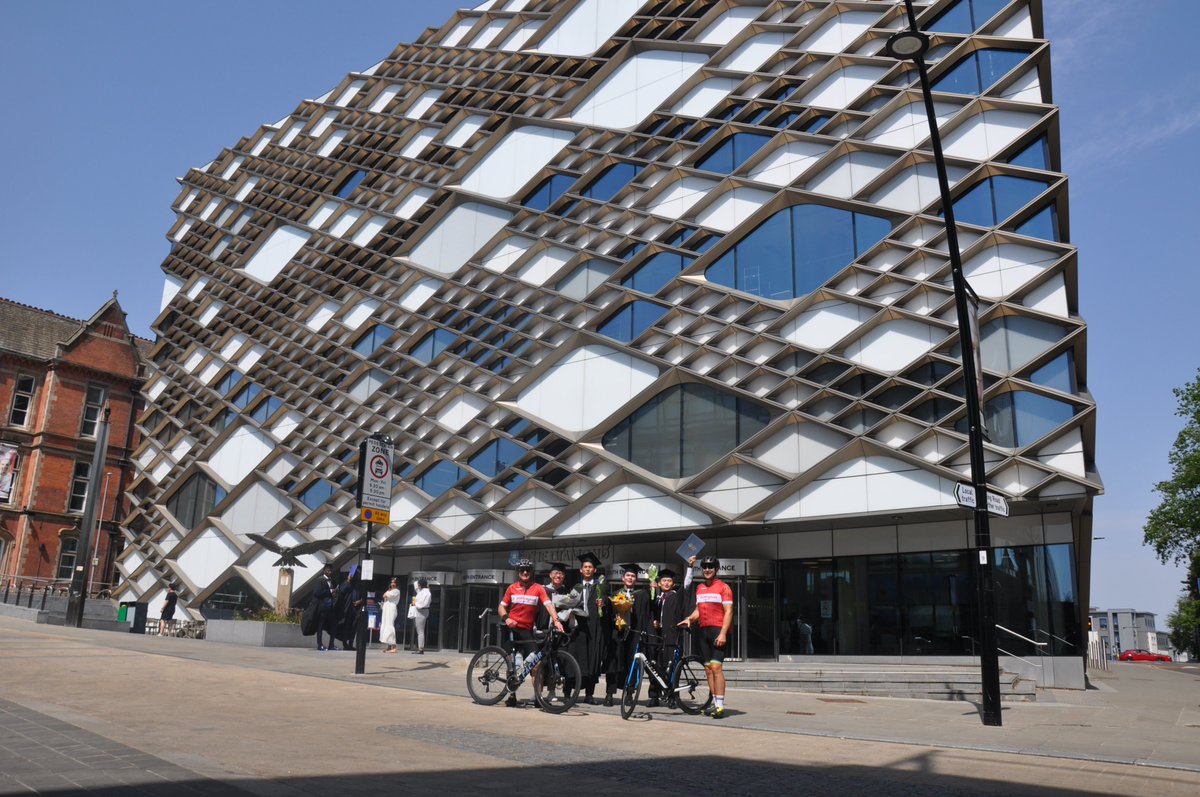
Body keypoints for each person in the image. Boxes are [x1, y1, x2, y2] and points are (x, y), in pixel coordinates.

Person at [498, 559, 564, 707]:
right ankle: (512, 695)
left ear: (532, 572)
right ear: (518, 572)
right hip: (511, 629)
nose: (525, 572)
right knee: (512, 665)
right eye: (522, 570)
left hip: (527, 631)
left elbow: (549, 605)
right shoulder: (512, 588)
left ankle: (537, 698)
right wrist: (507, 618)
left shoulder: (538, 588)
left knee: (536, 664)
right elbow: (501, 607)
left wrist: (556, 620)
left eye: (528, 570)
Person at [679, 555, 733, 719]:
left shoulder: (724, 587)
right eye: (705, 567)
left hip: (718, 631)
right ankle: (714, 703)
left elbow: (729, 612)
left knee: (716, 668)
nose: (707, 570)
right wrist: (689, 619)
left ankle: (720, 707)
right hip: (703, 632)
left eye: (711, 567)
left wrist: (723, 633)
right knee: (708, 670)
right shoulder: (700, 588)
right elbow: (698, 610)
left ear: (716, 569)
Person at [604, 563, 651, 706]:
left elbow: (647, 613)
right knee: (613, 664)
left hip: (634, 634)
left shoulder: (642, 595)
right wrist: (615, 618)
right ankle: (609, 694)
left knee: (632, 664)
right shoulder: (615, 594)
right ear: (623, 578)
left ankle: (629, 693)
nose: (630, 578)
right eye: (628, 575)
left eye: (633, 576)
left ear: (636, 579)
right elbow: (608, 615)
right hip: (617, 634)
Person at [567, 552, 608, 704]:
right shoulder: (576, 587)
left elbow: (607, 601)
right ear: (581, 570)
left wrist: (604, 603)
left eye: (590, 567)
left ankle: (589, 695)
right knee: (575, 659)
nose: (588, 569)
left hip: (594, 628)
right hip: (578, 629)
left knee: (592, 660)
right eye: (585, 567)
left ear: (595, 570)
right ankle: (568, 693)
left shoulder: (600, 586)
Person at [647, 568, 685, 707]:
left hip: (671, 637)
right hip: (657, 638)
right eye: (664, 580)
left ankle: (673, 697)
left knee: (672, 667)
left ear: (673, 584)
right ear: (659, 583)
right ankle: (654, 696)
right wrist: (654, 622)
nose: (667, 583)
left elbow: (687, 586)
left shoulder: (676, 597)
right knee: (655, 666)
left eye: (669, 580)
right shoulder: (656, 599)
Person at [336, 567, 363, 651]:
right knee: (346, 627)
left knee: (353, 628)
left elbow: (363, 597)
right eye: (356, 574)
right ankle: (345, 644)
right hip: (348, 609)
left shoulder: (360, 585)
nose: (357, 576)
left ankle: (351, 644)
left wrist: (360, 601)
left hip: (356, 610)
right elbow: (341, 591)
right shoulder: (347, 583)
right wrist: (348, 580)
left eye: (358, 574)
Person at [313, 565, 338, 651]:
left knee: (333, 625)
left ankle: (331, 644)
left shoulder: (332, 581)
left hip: (330, 607)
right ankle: (320, 645)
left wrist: (334, 594)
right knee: (320, 627)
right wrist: (330, 591)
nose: (330, 572)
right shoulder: (320, 580)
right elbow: (317, 593)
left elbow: (331, 593)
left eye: (331, 571)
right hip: (322, 607)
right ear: (324, 571)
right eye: (328, 570)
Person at [380, 578, 401, 653]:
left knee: (390, 625)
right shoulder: (389, 590)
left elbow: (384, 595)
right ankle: (389, 646)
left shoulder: (396, 591)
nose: (392, 584)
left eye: (394, 583)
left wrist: (386, 595)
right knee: (386, 625)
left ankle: (394, 646)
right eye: (391, 583)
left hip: (391, 608)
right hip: (386, 608)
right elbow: (385, 597)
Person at [412, 578, 431, 654]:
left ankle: (421, 648)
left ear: (420, 585)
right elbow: (415, 584)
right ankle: (420, 648)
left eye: (419, 585)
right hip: (421, 611)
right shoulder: (421, 591)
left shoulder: (426, 593)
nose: (417, 586)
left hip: (422, 611)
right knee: (419, 630)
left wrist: (415, 604)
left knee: (420, 631)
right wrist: (425, 584)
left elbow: (423, 604)